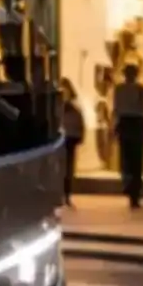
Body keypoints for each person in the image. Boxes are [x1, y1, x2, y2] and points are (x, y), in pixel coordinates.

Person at [112, 63, 143, 208]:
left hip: (125, 123)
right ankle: (135, 190)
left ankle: (128, 185)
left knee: (126, 158)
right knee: (137, 159)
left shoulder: (119, 89)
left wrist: (114, 126)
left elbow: (116, 109)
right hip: (137, 123)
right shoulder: (141, 89)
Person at [59, 78, 84, 207]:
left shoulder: (72, 109)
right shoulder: (69, 109)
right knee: (65, 167)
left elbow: (79, 124)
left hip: (68, 138)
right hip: (67, 138)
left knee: (67, 168)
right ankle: (64, 193)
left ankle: (66, 193)